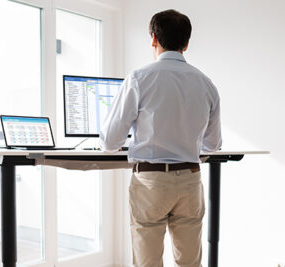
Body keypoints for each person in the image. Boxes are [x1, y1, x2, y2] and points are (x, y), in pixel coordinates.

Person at [99, 9, 222, 267]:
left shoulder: (139, 78)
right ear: (186, 43)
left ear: (153, 38)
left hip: (150, 182)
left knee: (147, 263)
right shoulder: (206, 84)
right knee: (190, 262)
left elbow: (110, 142)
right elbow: (213, 145)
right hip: (190, 180)